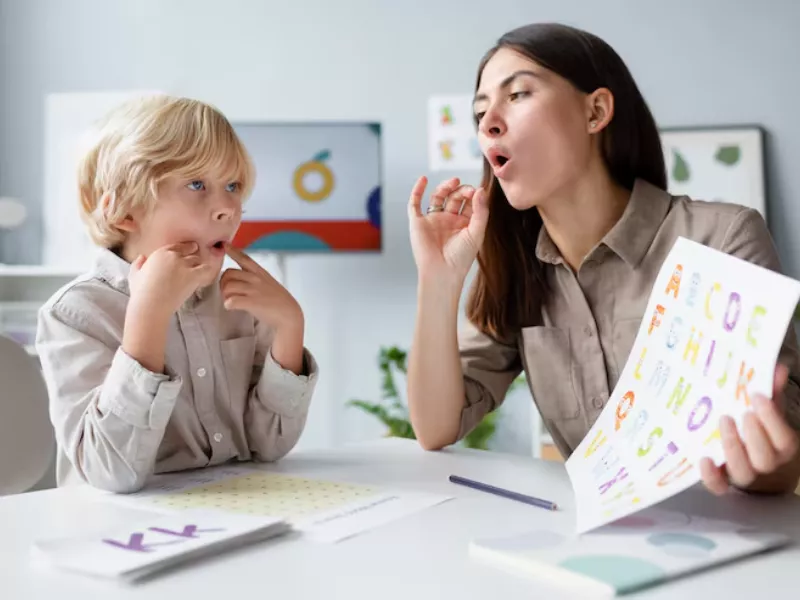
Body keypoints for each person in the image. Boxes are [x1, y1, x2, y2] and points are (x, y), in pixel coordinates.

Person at [406, 23, 800, 495]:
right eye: (480, 110)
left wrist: (761, 462)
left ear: (595, 111)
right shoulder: (517, 268)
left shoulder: (723, 238)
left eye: (518, 94)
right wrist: (438, 279)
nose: (489, 120)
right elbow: (436, 427)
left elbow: (782, 454)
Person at [36, 95, 318, 493]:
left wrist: (290, 327)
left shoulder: (239, 299)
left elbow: (269, 446)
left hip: (232, 514)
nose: (227, 208)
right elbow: (109, 471)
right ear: (125, 212)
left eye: (233, 186)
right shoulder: (75, 314)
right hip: (118, 535)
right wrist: (148, 316)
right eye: (197, 184)